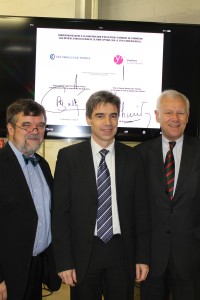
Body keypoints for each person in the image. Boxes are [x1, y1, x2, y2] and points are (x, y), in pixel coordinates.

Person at [52, 90, 150, 300]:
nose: (108, 122)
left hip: (121, 251)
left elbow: (141, 212)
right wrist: (64, 261)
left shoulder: (133, 157)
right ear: (88, 119)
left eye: (113, 115)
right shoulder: (69, 158)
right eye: (100, 115)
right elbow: (60, 214)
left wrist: (142, 257)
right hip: (83, 253)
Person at [135, 89, 200, 300]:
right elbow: (134, 208)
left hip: (191, 257)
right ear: (157, 116)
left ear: (188, 117)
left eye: (181, 113)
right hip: (151, 258)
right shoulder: (139, 155)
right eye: (169, 112)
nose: (175, 118)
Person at [0, 99, 61, 300]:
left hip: (36, 267)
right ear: (10, 128)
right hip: (8, 272)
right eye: (26, 125)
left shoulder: (42, 165)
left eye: (40, 125)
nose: (34, 131)